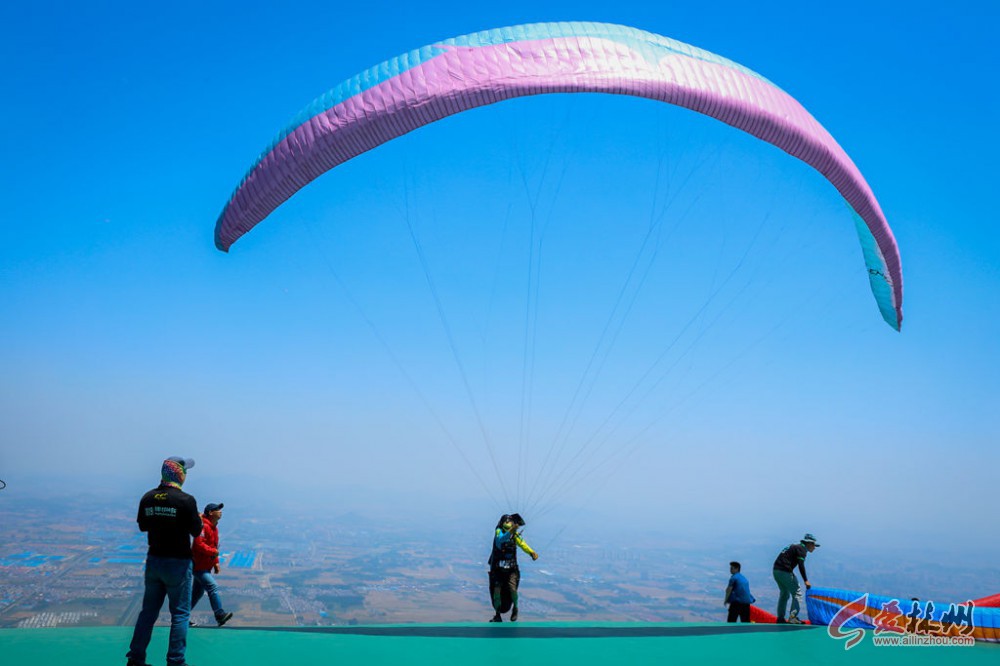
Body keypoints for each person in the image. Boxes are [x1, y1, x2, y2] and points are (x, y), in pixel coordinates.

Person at [127, 456, 202, 666]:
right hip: (178, 562)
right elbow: (197, 531)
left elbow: (143, 526)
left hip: (154, 561)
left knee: (148, 612)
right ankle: (176, 661)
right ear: (180, 474)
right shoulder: (186, 500)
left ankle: (135, 658)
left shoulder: (147, 497)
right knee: (180, 614)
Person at [487, 513, 539, 623]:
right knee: (496, 592)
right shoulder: (499, 532)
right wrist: (511, 531)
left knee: (512, 589)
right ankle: (497, 614)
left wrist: (531, 552)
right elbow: (500, 540)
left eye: (510, 522)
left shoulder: (514, 536)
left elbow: (522, 544)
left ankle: (515, 608)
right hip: (498, 569)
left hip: (511, 569)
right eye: (507, 522)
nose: (509, 524)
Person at [190, 502, 233, 627]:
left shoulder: (214, 528)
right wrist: (213, 552)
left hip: (205, 566)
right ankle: (219, 614)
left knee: (196, 594)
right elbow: (198, 544)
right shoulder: (203, 526)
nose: (220, 511)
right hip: (198, 566)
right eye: (217, 509)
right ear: (210, 513)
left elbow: (214, 547)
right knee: (212, 586)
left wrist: (216, 563)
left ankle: (181, 618)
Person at [772, 533, 819, 624]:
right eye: (813, 545)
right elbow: (801, 565)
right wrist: (806, 580)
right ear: (808, 543)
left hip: (776, 571)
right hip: (785, 571)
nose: (814, 547)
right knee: (797, 593)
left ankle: (780, 618)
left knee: (784, 594)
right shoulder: (802, 549)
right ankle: (793, 617)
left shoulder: (795, 546)